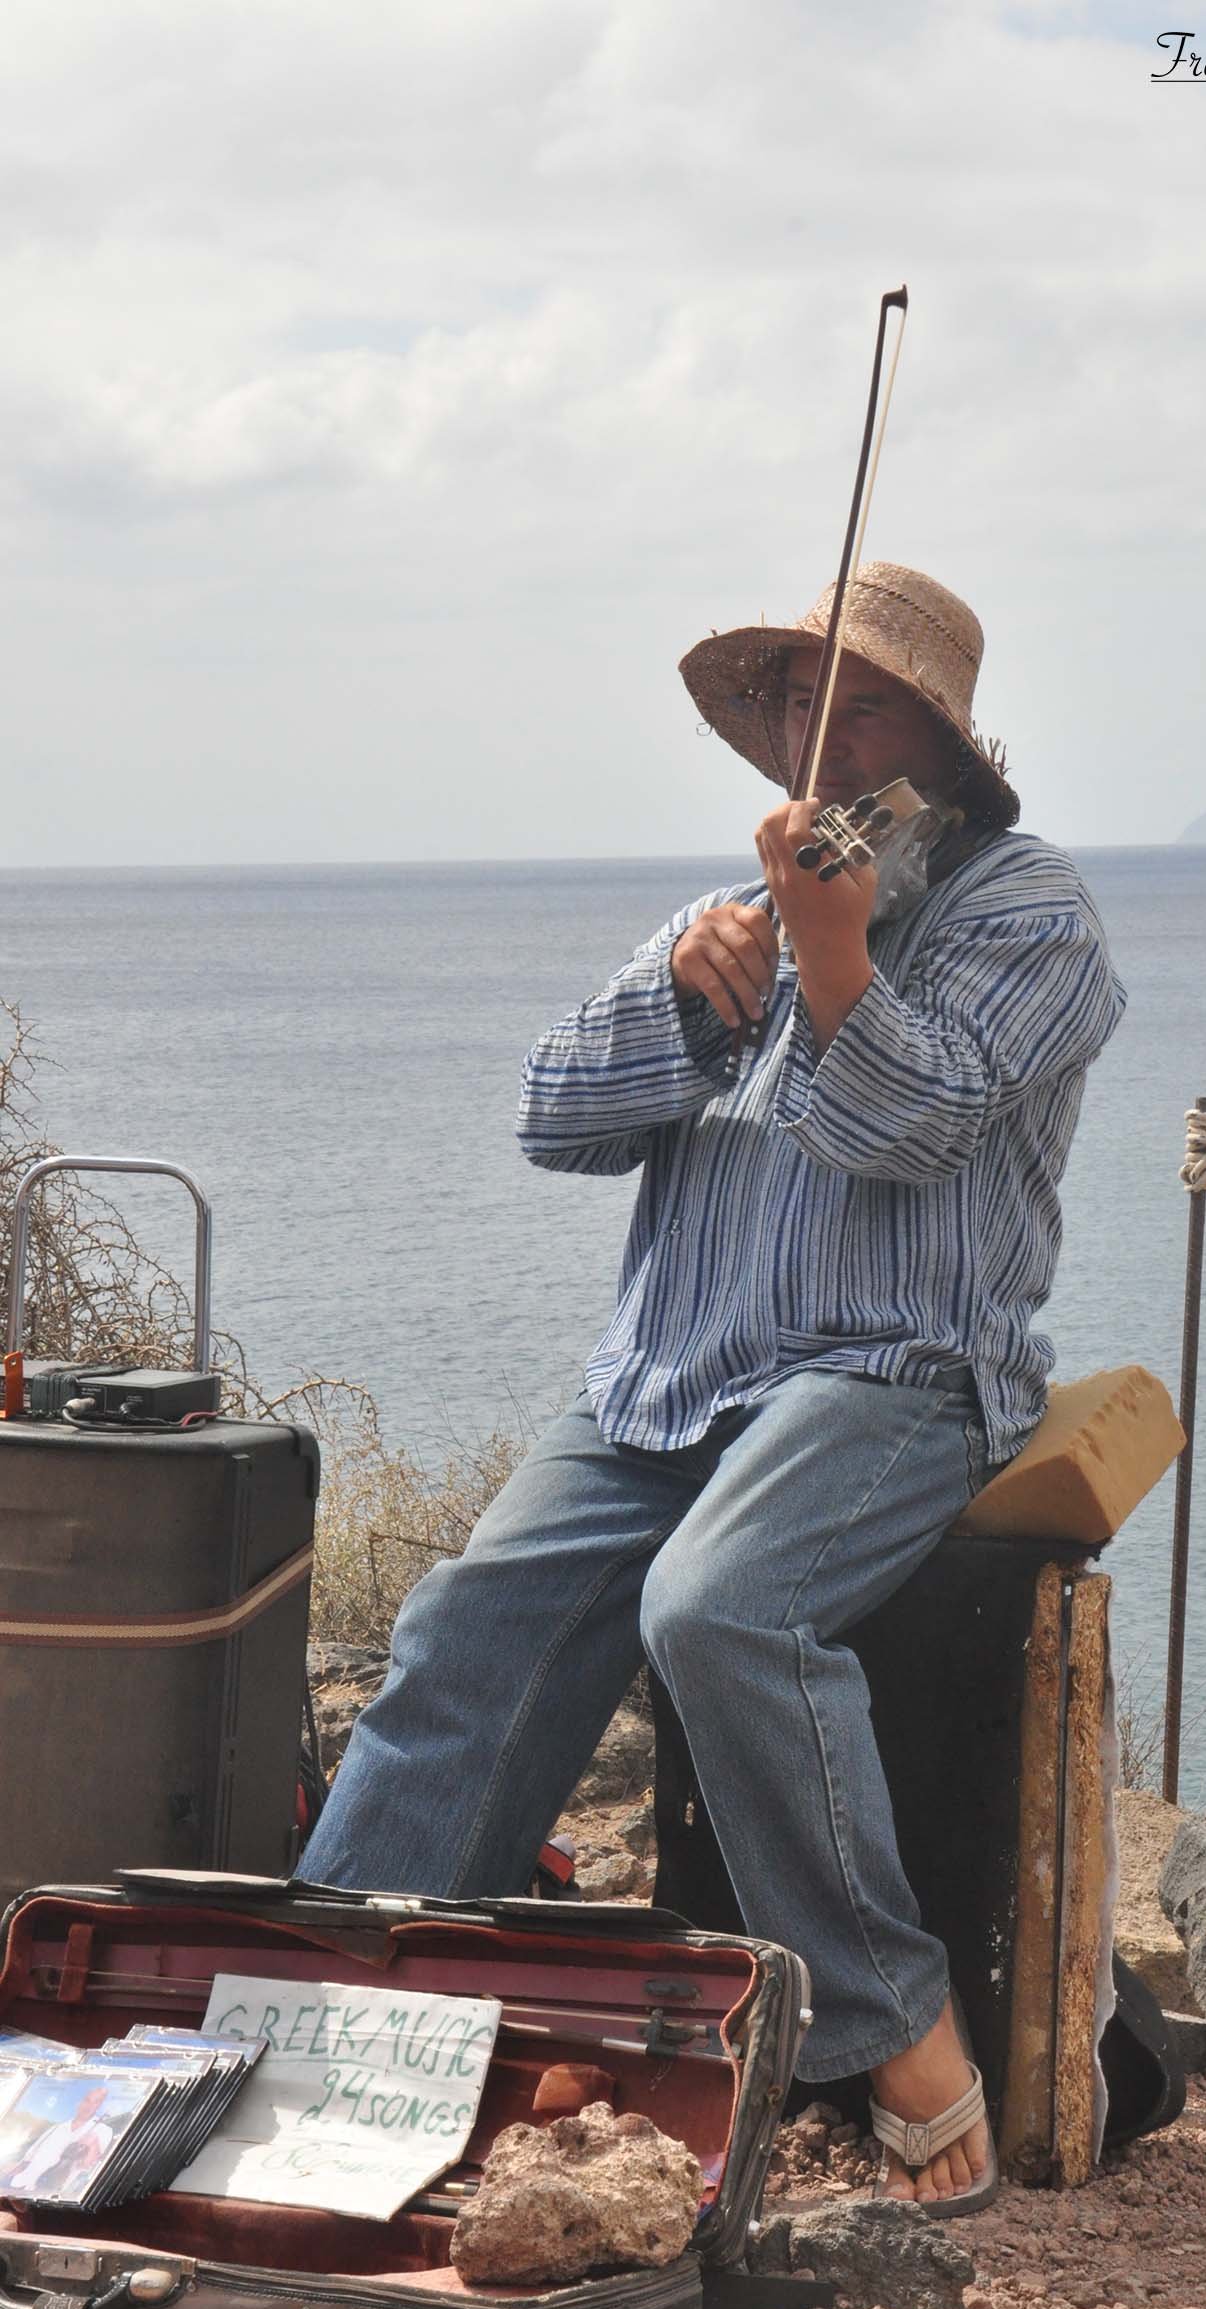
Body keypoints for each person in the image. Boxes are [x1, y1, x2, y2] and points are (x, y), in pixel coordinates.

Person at [300, 563, 1127, 2213]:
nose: (829, 746)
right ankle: (321, 2003)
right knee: (465, 1621)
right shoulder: (728, 911)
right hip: (669, 1382)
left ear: (949, 746)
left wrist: (833, 964)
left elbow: (910, 1129)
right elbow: (553, 1115)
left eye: (870, 708)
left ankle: (900, 2024)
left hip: (894, 1372)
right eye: (805, 710)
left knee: (721, 1610)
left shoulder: (1033, 913)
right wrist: (684, 992)